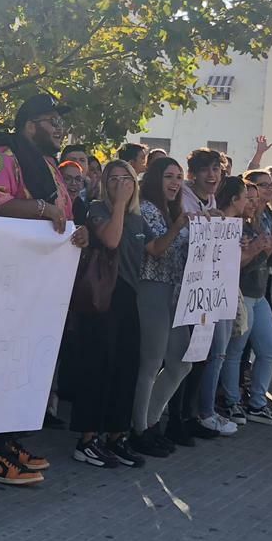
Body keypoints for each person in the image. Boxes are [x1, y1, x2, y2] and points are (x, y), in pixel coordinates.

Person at [0, 92, 82, 486]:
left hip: (35, 286)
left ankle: (11, 440)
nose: (60, 128)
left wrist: (73, 232)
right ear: (29, 125)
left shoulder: (46, 164)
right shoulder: (2, 157)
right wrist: (42, 210)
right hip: (2, 281)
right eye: (52, 120)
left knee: (23, 365)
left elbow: (61, 216)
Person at [69, 161, 147, 468]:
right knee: (98, 366)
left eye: (124, 178)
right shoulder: (99, 209)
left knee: (127, 365)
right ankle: (87, 439)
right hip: (103, 296)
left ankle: (117, 435)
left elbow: (154, 247)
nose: (119, 183)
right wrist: (119, 204)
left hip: (129, 295)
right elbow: (111, 239)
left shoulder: (138, 216)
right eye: (112, 178)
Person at [130, 156, 195, 454]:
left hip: (175, 290)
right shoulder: (144, 208)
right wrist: (179, 226)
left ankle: (151, 420)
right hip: (152, 287)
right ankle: (139, 429)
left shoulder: (173, 210)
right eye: (169, 176)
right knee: (152, 362)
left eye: (179, 177)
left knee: (182, 361)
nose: (175, 183)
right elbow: (155, 249)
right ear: (156, 179)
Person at [217, 170, 272, 426]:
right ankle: (232, 401)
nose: (254, 202)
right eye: (249, 197)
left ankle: (258, 403)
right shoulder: (235, 226)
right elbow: (234, 265)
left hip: (259, 295)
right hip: (241, 294)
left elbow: (263, 259)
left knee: (269, 351)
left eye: (256, 198)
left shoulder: (258, 222)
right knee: (234, 352)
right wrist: (260, 248)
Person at [189, 175, 254, 434]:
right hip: (207, 297)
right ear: (235, 199)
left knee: (219, 354)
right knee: (212, 354)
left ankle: (203, 411)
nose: (249, 202)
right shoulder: (214, 221)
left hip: (222, 293)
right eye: (246, 197)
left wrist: (243, 248)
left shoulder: (236, 227)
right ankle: (203, 412)